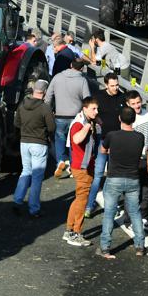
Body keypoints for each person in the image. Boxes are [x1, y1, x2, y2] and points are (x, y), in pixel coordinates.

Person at [96, 106, 147, 258]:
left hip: (114, 178)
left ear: (119, 119)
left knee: (109, 213)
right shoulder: (139, 137)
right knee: (135, 212)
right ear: (134, 119)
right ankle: (140, 246)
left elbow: (102, 150)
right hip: (132, 179)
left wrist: (111, 150)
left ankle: (105, 247)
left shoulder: (112, 135)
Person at [13, 79, 56, 217]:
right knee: (37, 177)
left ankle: (17, 200)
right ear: (44, 92)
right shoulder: (45, 108)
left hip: (24, 142)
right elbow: (51, 127)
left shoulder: (22, 104)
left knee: (25, 171)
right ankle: (34, 208)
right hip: (39, 143)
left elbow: (16, 123)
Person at [86, 73, 126, 216]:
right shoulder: (99, 96)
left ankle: (112, 207)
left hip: (117, 142)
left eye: (117, 85)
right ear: (106, 85)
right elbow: (92, 113)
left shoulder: (122, 97)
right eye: (113, 85)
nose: (116, 88)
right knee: (98, 175)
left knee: (112, 177)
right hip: (103, 140)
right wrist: (98, 122)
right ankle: (89, 206)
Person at [63, 96, 100, 247]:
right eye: (93, 109)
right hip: (82, 167)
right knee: (82, 200)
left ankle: (69, 230)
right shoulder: (79, 123)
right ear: (84, 109)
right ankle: (75, 232)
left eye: (97, 109)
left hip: (84, 165)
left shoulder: (87, 119)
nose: (96, 112)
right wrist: (87, 127)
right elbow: (77, 139)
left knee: (79, 199)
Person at [46, 58, 91, 177]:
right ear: (82, 68)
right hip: (76, 117)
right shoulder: (82, 80)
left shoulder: (57, 77)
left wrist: (49, 111)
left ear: (71, 65)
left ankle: (60, 160)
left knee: (59, 138)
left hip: (60, 114)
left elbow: (48, 97)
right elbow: (87, 99)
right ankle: (72, 166)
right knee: (73, 142)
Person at [122, 90, 148, 228]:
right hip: (133, 159)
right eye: (133, 103)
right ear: (127, 104)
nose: (137, 106)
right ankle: (129, 219)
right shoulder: (128, 118)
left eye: (138, 102)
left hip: (146, 157)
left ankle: (143, 216)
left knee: (146, 190)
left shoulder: (147, 114)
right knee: (133, 191)